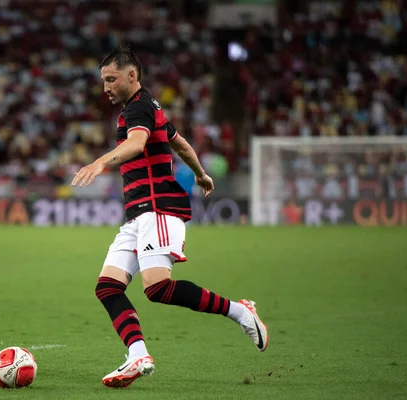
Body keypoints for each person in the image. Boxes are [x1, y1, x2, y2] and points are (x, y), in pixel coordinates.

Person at [71, 45, 269, 388]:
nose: (105, 86)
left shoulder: (138, 109)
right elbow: (181, 145)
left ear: (132, 76)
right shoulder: (150, 106)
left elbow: (135, 145)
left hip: (157, 208)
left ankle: (241, 311)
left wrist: (100, 161)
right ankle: (137, 355)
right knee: (107, 287)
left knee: (157, 287)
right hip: (138, 214)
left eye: (111, 79)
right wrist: (202, 174)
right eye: (103, 80)